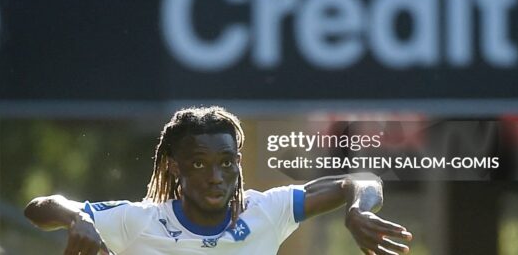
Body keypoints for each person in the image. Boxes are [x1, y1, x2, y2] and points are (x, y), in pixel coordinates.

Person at [24, 106, 413, 255]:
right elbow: (38, 209)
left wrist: (357, 208)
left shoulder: (267, 211)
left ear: (238, 162)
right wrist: (79, 218)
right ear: (174, 167)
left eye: (226, 163)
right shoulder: (139, 221)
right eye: (198, 164)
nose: (216, 177)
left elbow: (360, 181)